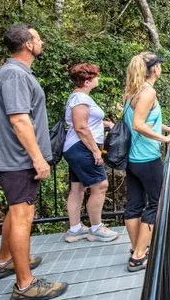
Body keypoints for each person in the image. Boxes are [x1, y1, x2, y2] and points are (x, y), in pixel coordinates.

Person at [0, 24, 68, 299]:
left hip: (14, 158)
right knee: (23, 216)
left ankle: (5, 261)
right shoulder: (13, 75)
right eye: (38, 38)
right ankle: (25, 285)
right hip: (19, 159)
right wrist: (38, 158)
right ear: (28, 44)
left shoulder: (11, 72)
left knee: (15, 212)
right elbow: (19, 119)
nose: (41, 41)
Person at [123, 52, 170, 272]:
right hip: (147, 158)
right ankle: (139, 256)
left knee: (134, 204)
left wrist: (166, 127)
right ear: (155, 69)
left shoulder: (132, 90)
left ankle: (136, 248)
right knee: (156, 204)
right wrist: (165, 139)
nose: (160, 68)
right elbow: (138, 124)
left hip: (133, 158)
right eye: (159, 65)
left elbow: (144, 119)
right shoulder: (148, 92)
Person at [61, 63, 119, 243]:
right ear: (87, 81)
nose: (98, 79)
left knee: (78, 188)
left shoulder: (79, 98)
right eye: (96, 76)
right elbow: (80, 127)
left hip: (76, 147)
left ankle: (75, 229)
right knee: (101, 186)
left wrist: (106, 124)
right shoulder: (80, 99)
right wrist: (96, 151)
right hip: (82, 147)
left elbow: (86, 122)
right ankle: (96, 228)